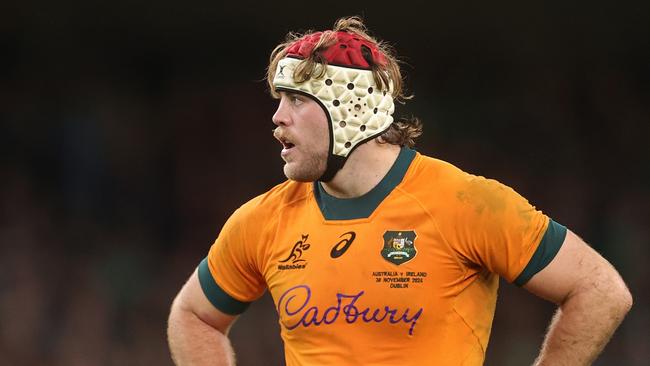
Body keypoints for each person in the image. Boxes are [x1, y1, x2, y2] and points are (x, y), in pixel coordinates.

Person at [167, 16, 632, 365]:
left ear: (348, 108)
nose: (277, 118)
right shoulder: (261, 221)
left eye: (297, 100)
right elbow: (193, 315)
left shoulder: (465, 202)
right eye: (279, 101)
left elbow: (599, 289)